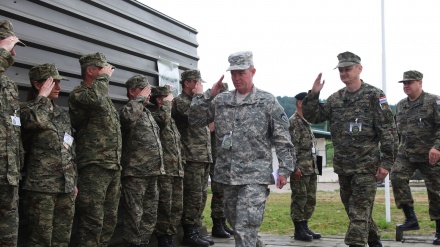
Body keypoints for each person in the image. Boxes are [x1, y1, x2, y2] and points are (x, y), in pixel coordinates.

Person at [189, 51, 295, 247]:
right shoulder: (221, 101)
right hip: (227, 175)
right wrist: (208, 95)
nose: (236, 78)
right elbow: (194, 119)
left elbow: (282, 137)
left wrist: (285, 169)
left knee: (245, 227)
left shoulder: (267, 101)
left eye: (241, 73)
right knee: (237, 224)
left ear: (252, 71)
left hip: (254, 175)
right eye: (233, 74)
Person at [301, 51, 398, 247]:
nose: (344, 73)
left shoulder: (374, 95)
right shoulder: (336, 98)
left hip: (366, 166)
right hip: (343, 167)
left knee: (359, 210)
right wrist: (314, 94)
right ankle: (373, 239)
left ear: (359, 69)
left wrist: (386, 163)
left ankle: (356, 243)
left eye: (348, 69)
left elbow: (388, 131)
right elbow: (313, 116)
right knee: (352, 208)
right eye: (341, 70)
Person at [68, 52, 122, 246]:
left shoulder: (101, 94)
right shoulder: (79, 94)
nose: (106, 72)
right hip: (93, 165)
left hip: (112, 164)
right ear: (90, 71)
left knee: (109, 219)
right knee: (92, 220)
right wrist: (104, 79)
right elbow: (96, 99)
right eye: (101, 69)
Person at [20, 63, 77, 246]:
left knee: (62, 238)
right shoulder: (27, 110)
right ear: (38, 85)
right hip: (41, 187)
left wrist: (73, 180)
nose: (59, 87)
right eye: (53, 82)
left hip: (65, 186)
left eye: (59, 82)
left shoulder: (62, 114)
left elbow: (70, 148)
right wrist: (42, 97)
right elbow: (35, 122)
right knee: (40, 240)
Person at [390, 70, 440, 245]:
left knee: (436, 191)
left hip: (430, 154)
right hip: (407, 154)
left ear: (420, 82)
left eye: (409, 82)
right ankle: (410, 218)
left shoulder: (433, 101)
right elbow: (397, 131)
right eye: (404, 83)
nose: (406, 86)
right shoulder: (401, 105)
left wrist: (437, 147)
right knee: (396, 176)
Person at [119, 75, 164, 247]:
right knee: (134, 216)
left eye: (149, 91)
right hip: (135, 174)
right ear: (132, 92)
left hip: (152, 172)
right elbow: (128, 119)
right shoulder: (128, 110)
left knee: (149, 216)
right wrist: (139, 99)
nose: (148, 94)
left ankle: (143, 243)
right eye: (143, 90)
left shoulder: (147, 113)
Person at [172, 70, 214, 247]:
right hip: (191, 156)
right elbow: (191, 116)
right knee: (192, 196)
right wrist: (199, 97)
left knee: (202, 195)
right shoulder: (180, 101)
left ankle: (196, 228)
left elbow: (210, 117)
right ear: (188, 83)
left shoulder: (197, 101)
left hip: (203, 156)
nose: (199, 86)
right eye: (196, 82)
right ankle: (189, 232)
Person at [148, 85, 184, 247]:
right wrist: (167, 106)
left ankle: (171, 235)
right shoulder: (156, 115)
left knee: (176, 205)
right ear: (159, 100)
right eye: (168, 97)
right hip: (165, 170)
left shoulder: (171, 119)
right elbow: (161, 121)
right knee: (165, 205)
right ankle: (163, 238)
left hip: (176, 169)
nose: (172, 100)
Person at [0, 19, 25, 247]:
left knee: (8, 239)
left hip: (9, 176)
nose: (13, 52)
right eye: (8, 45)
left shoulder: (8, 84)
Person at [288, 92, 321, 242]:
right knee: (299, 199)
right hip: (300, 169)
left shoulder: (306, 122)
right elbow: (291, 148)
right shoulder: (293, 122)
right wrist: (294, 168)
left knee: (310, 199)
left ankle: (305, 225)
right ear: (300, 103)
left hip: (311, 168)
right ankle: (298, 229)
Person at [208, 83, 234, 239]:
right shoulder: (211, 111)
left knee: (224, 191)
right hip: (213, 156)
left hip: (224, 157)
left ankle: (222, 222)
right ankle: (217, 225)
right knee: (218, 191)